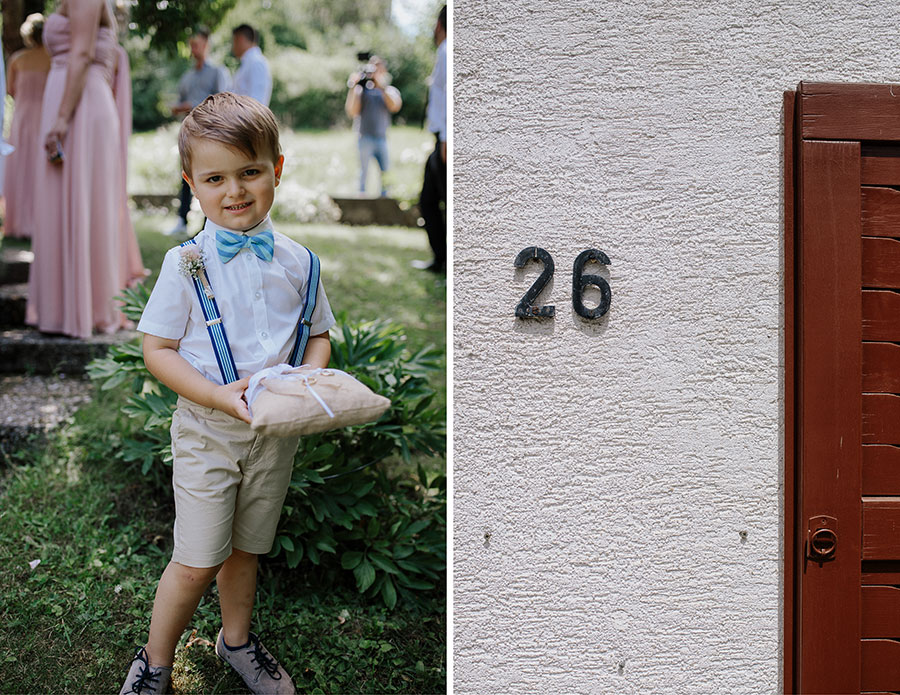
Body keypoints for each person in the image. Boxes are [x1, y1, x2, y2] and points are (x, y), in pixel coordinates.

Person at [119, 92, 335, 695]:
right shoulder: (185, 264)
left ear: (277, 170)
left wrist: (306, 379)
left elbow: (317, 335)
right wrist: (216, 397)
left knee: (246, 550)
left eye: (250, 172)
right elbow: (157, 350)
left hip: (274, 435)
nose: (235, 190)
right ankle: (154, 663)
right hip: (208, 430)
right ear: (192, 183)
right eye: (215, 178)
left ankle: (235, 642)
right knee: (197, 559)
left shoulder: (300, 263)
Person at [27, 0, 145, 338]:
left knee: (85, 202)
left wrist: (62, 119)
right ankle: (66, 306)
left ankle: (85, 308)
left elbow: (80, 54)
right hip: (74, 98)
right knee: (64, 202)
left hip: (78, 106)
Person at [166, 27, 230, 236]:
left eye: (198, 44)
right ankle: (181, 220)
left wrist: (190, 105)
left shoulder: (218, 72)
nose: (194, 49)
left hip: (212, 134)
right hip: (191, 134)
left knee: (213, 176)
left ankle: (210, 222)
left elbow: (223, 100)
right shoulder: (187, 77)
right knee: (187, 177)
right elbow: (180, 101)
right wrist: (179, 107)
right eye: (191, 45)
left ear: (207, 45)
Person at [4, 13, 50, 239]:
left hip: (23, 118)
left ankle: (20, 222)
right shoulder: (53, 59)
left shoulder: (17, 59)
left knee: (22, 168)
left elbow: (11, 90)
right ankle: (42, 222)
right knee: (41, 168)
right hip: (45, 117)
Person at [413, 5, 447, 274]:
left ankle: (447, 262)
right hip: (440, 139)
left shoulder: (448, 50)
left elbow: (449, 98)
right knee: (427, 200)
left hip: (446, 141)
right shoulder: (443, 51)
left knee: (443, 200)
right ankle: (441, 259)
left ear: (439, 24)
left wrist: (446, 140)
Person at [345, 56, 402, 197]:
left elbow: (395, 106)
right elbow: (352, 111)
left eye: (378, 68)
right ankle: (361, 199)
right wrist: (354, 86)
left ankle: (385, 200)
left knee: (385, 173)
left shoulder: (389, 90)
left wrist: (380, 86)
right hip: (364, 137)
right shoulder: (361, 90)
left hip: (381, 137)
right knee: (363, 172)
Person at [231, 24, 271, 107]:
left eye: (234, 41)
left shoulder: (257, 63)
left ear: (240, 39)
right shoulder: (248, 63)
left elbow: (257, 103)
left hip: (247, 119)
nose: (232, 47)